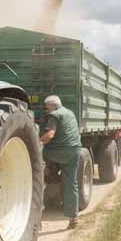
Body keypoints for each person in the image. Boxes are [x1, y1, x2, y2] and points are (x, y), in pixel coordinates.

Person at [40, 95, 83, 229]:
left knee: (37, 160)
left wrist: (38, 142)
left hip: (58, 152)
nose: (47, 110)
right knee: (71, 183)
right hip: (75, 150)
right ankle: (73, 218)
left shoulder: (54, 115)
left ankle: (48, 177)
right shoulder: (70, 113)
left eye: (47, 108)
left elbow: (50, 135)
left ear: (52, 106)